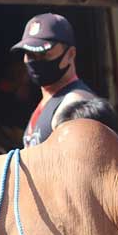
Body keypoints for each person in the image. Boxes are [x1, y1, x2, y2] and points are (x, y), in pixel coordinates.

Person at [10, 13, 97, 148]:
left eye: (44, 54)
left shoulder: (74, 103)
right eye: (30, 54)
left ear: (70, 54)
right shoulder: (48, 98)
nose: (36, 61)